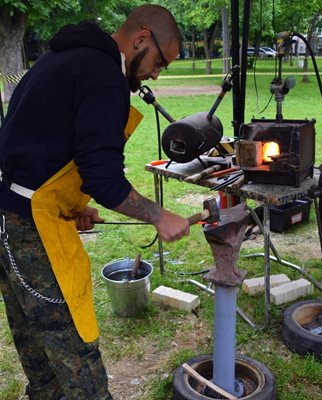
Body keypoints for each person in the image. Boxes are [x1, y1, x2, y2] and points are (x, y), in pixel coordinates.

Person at [0, 4, 189, 400]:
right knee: (75, 350)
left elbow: (38, 144)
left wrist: (66, 203)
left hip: (10, 216)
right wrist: (158, 215)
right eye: (160, 62)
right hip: (26, 229)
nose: (155, 73)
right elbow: (103, 178)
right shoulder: (103, 76)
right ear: (141, 38)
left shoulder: (64, 57)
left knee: (36, 346)